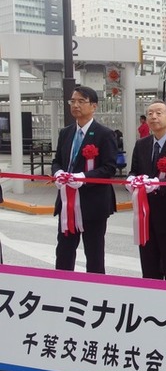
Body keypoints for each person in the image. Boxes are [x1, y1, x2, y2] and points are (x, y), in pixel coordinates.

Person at [51, 86, 118, 274]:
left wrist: (84, 177)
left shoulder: (104, 134)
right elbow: (57, 161)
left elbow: (110, 168)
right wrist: (58, 174)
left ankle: (95, 294)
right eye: (73, 101)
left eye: (81, 101)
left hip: (93, 204)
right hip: (67, 204)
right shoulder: (66, 133)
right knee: (64, 253)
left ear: (94, 106)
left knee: (94, 255)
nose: (76, 105)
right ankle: (61, 290)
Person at [126, 101, 166, 282]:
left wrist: (158, 183)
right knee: (149, 267)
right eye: (149, 113)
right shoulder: (141, 145)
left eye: (158, 113)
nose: (153, 117)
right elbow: (134, 170)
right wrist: (131, 180)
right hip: (145, 216)